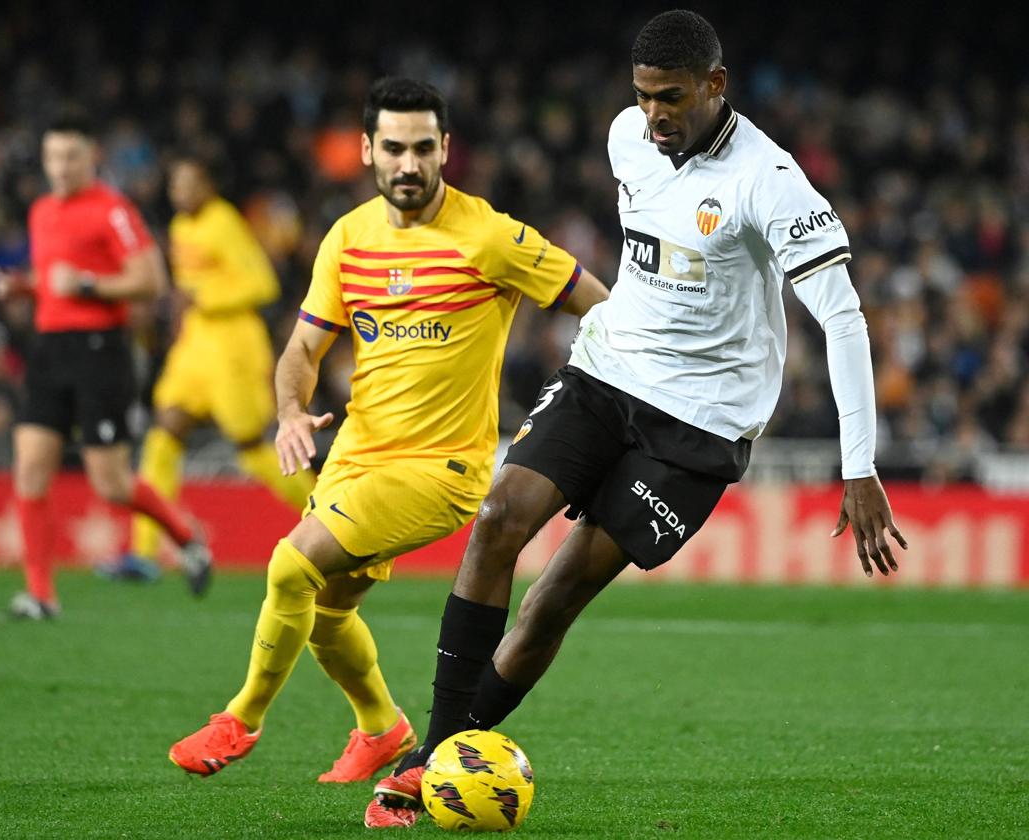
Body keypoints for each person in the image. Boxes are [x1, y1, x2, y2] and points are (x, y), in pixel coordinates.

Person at [364, 10, 909, 828]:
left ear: (715, 86)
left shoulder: (769, 181)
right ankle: (435, 756)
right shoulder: (628, 137)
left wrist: (859, 463)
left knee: (558, 592)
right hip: (607, 371)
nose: (655, 114)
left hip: (702, 421)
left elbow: (844, 319)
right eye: (645, 95)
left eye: (673, 98)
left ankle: (443, 751)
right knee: (497, 518)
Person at [165, 77, 608, 785]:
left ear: (446, 150)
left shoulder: (492, 237)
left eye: (424, 148)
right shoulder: (348, 237)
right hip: (356, 456)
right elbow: (303, 349)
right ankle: (381, 727)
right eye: (394, 148)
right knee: (329, 615)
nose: (409, 163)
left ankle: (241, 718)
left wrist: (590, 409)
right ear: (368, 150)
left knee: (290, 567)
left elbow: (602, 307)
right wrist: (287, 410)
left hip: (440, 470)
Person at [4, 114, 212, 619]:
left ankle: (188, 538)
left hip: (101, 350)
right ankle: (40, 595)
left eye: (71, 156)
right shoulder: (41, 212)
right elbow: (57, 280)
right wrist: (24, 287)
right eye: (52, 157)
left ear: (91, 156)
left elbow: (151, 279)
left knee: (110, 483)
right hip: (50, 348)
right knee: (30, 468)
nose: (60, 167)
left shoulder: (112, 210)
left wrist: (92, 286)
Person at [98, 159, 315, 582]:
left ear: (208, 186)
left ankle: (333, 523)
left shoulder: (223, 222)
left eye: (189, 182)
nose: (180, 191)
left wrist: (206, 297)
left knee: (251, 449)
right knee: (163, 437)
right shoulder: (181, 227)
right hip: (196, 345)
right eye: (175, 183)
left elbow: (263, 284)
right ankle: (144, 554)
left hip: (233, 345)